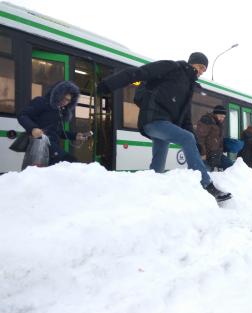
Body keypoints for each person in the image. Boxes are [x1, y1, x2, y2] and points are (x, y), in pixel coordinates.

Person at [97, 52, 231, 202]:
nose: (200, 72)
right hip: (152, 120)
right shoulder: (172, 68)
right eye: (199, 67)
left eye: (204, 70)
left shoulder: (189, 87)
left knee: (161, 155)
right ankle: (206, 185)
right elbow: (140, 73)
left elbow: (185, 119)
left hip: (164, 124)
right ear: (191, 63)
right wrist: (109, 84)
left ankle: (153, 187)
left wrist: (196, 145)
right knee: (187, 138)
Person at [18, 81, 86, 166]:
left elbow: (58, 132)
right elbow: (23, 115)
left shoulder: (59, 111)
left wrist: (75, 135)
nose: (65, 102)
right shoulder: (41, 102)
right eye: (63, 98)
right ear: (58, 94)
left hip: (52, 147)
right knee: (71, 161)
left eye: (68, 100)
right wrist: (33, 128)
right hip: (40, 145)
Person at [196, 105, 233, 171]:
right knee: (206, 174)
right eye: (221, 116)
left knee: (231, 166)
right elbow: (200, 138)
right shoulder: (206, 121)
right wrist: (203, 153)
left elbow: (218, 141)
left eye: (224, 117)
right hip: (206, 156)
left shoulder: (219, 124)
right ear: (215, 114)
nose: (222, 119)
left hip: (216, 155)